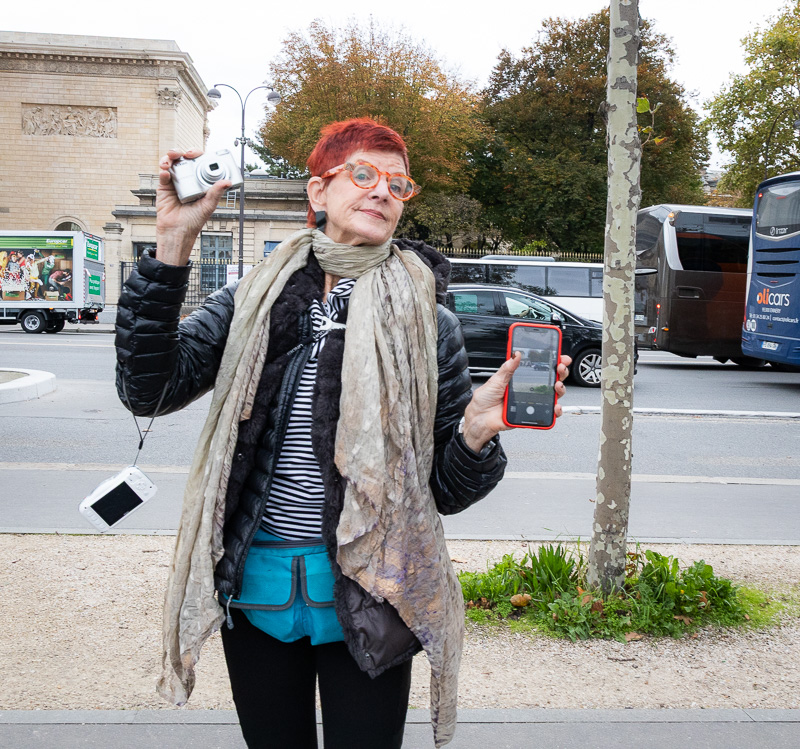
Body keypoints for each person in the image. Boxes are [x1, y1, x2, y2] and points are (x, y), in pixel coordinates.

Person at [115, 118, 570, 749]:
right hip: (257, 596)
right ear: (317, 192)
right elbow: (151, 389)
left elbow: (441, 491)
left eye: (398, 183)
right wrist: (171, 246)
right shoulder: (256, 296)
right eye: (363, 174)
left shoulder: (429, 321)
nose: (382, 191)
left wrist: (474, 433)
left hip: (374, 594)